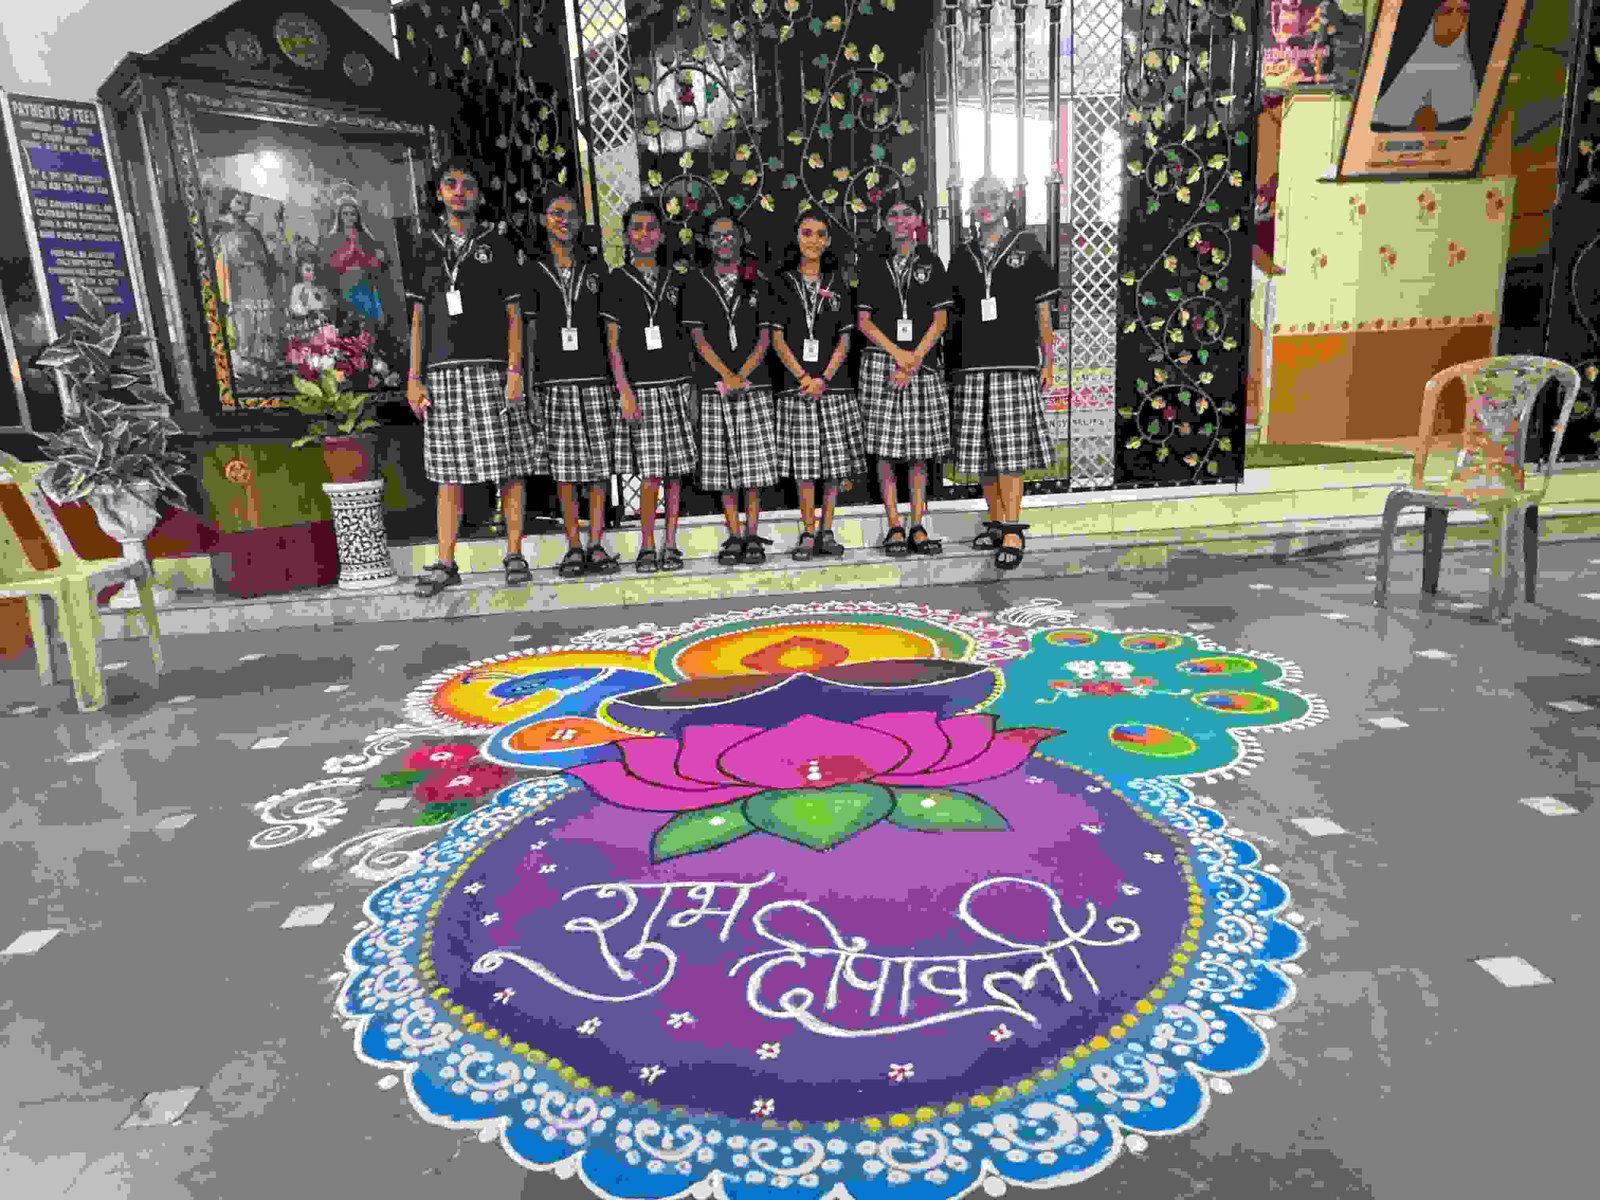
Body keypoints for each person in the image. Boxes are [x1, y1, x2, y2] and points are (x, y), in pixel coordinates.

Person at [403, 156, 538, 596]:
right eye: (451, 184)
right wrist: (414, 377)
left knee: (509, 465)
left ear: (479, 195)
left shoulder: (496, 245)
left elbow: (514, 313)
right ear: (439, 192)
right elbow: (418, 317)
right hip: (441, 374)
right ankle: (446, 561)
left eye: (467, 185)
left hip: (492, 369)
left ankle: (514, 553)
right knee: (448, 472)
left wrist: (515, 370)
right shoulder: (424, 246)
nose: (459, 192)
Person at [947, 175, 1058, 571]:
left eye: (993, 196)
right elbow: (954, 316)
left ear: (1008, 201)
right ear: (971, 204)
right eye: (979, 197)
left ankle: (1013, 528)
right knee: (984, 453)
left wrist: (1048, 359)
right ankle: (995, 522)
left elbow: (1043, 309)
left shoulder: (1028, 246)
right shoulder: (962, 254)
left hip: (1015, 362)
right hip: (972, 364)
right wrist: (951, 366)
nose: (986, 204)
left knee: (1010, 452)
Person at [524, 186, 620, 579]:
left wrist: (618, 382)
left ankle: (596, 542)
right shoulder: (532, 270)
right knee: (564, 470)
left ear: (581, 222)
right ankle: (573, 545)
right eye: (557, 213)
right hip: (554, 382)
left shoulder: (596, 269)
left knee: (599, 467)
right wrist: (530, 388)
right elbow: (529, 334)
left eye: (572, 214)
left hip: (596, 379)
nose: (565, 221)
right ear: (543, 219)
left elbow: (612, 333)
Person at [599, 200, 698, 574]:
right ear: (626, 235)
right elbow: (613, 344)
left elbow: (689, 341)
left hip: (677, 385)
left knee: (675, 473)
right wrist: (624, 390)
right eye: (637, 228)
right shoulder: (616, 280)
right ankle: (646, 544)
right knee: (650, 474)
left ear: (662, 234)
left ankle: (670, 543)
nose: (645, 234)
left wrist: (692, 389)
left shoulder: (677, 281)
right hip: (641, 388)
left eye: (652, 227)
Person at [855, 193, 952, 557]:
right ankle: (894, 523)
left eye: (907, 213)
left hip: (921, 364)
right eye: (893, 214)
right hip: (882, 363)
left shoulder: (931, 262)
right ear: (884, 222)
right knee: (884, 450)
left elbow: (940, 320)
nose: (899, 220)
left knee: (918, 451)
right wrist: (898, 356)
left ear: (918, 220)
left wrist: (913, 359)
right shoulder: (872, 262)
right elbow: (864, 322)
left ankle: (918, 524)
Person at [680, 214, 779, 566]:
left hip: (754, 384)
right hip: (715, 385)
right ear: (707, 242)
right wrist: (726, 374)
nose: (724, 241)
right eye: (717, 235)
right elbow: (698, 339)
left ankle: (752, 533)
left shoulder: (758, 281)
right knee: (723, 466)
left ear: (742, 237)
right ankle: (734, 534)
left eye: (730, 234)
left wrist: (742, 374)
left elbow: (765, 338)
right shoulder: (696, 282)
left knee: (753, 467)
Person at [764, 210, 863, 561]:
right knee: (804, 466)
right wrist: (804, 378)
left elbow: (845, 340)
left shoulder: (838, 283)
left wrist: (824, 378)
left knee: (834, 464)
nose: (814, 240)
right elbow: (776, 340)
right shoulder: (780, 283)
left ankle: (828, 529)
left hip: (833, 387)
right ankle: (808, 530)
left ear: (828, 240)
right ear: (796, 237)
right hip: (797, 388)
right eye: (807, 233)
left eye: (820, 234)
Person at [1370, 0, 1484, 133]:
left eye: (1463, 12)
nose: (1457, 18)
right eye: (1447, 11)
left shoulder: (1465, 68)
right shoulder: (1404, 62)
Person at [212, 188, 281, 377]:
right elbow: (220, 258)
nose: (244, 208)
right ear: (228, 202)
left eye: (246, 204)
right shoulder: (221, 228)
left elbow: (265, 259)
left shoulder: (253, 231)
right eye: (239, 202)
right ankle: (242, 363)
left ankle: (260, 363)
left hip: (258, 280)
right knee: (242, 322)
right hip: (236, 282)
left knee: (261, 320)